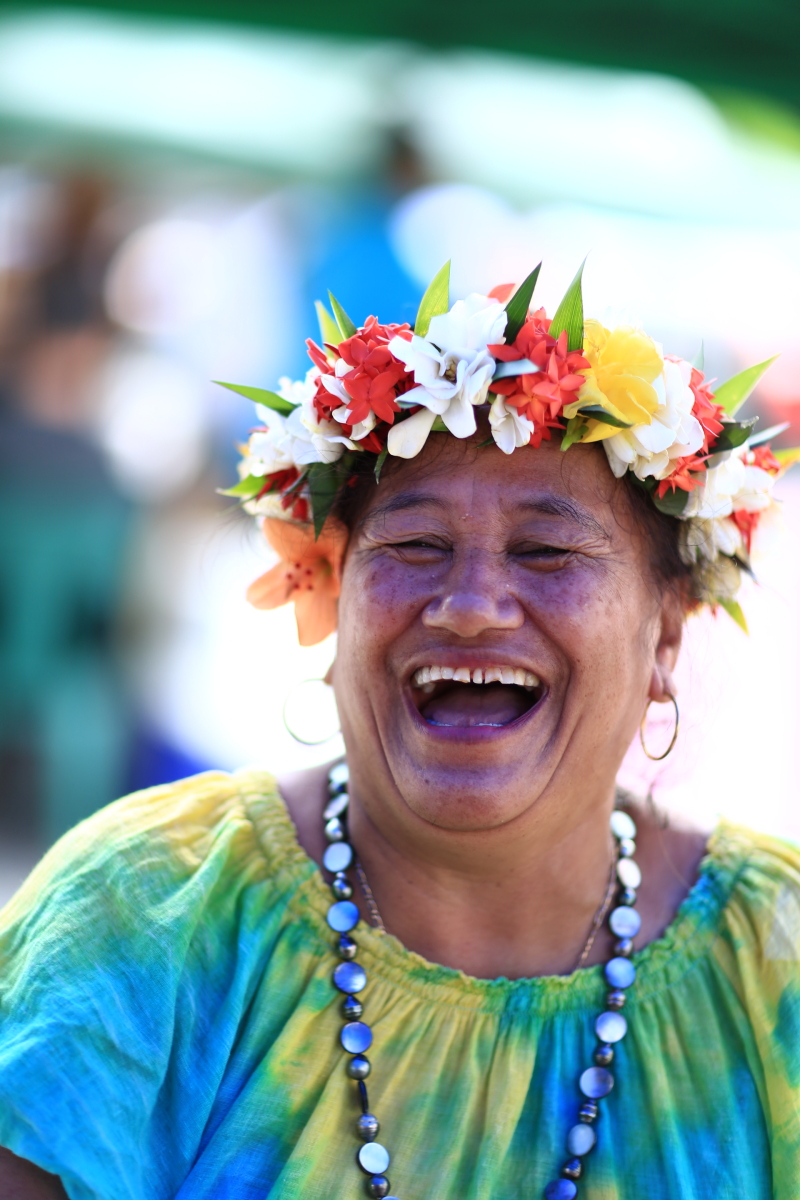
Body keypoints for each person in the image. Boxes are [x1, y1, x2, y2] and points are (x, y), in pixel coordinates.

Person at [0, 263, 799, 1200]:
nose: (469, 607)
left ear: (665, 629)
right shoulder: (147, 913)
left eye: (545, 550)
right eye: (415, 546)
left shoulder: (772, 963)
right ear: (334, 593)